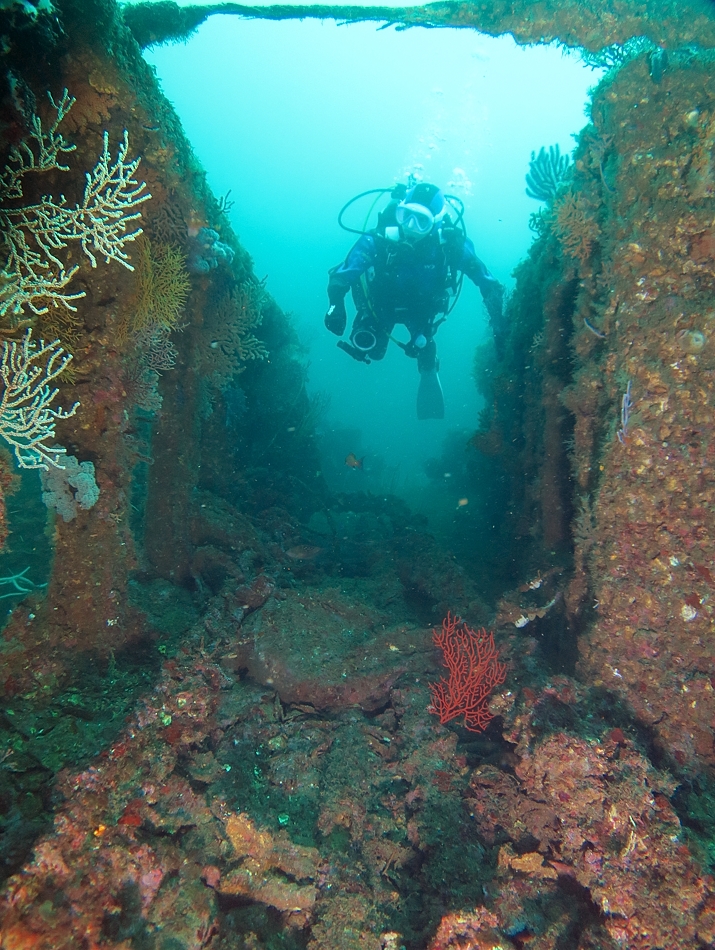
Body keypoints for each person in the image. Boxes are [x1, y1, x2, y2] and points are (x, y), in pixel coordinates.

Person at [324, 182, 506, 419]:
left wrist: (498, 325)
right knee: (372, 350)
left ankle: (428, 360)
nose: (411, 227)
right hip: (379, 307)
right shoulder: (379, 240)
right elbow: (342, 275)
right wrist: (336, 306)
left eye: (422, 221)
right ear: (399, 212)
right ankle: (416, 344)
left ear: (435, 222)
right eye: (406, 216)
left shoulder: (449, 246)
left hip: (421, 311)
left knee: (422, 344)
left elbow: (488, 283)